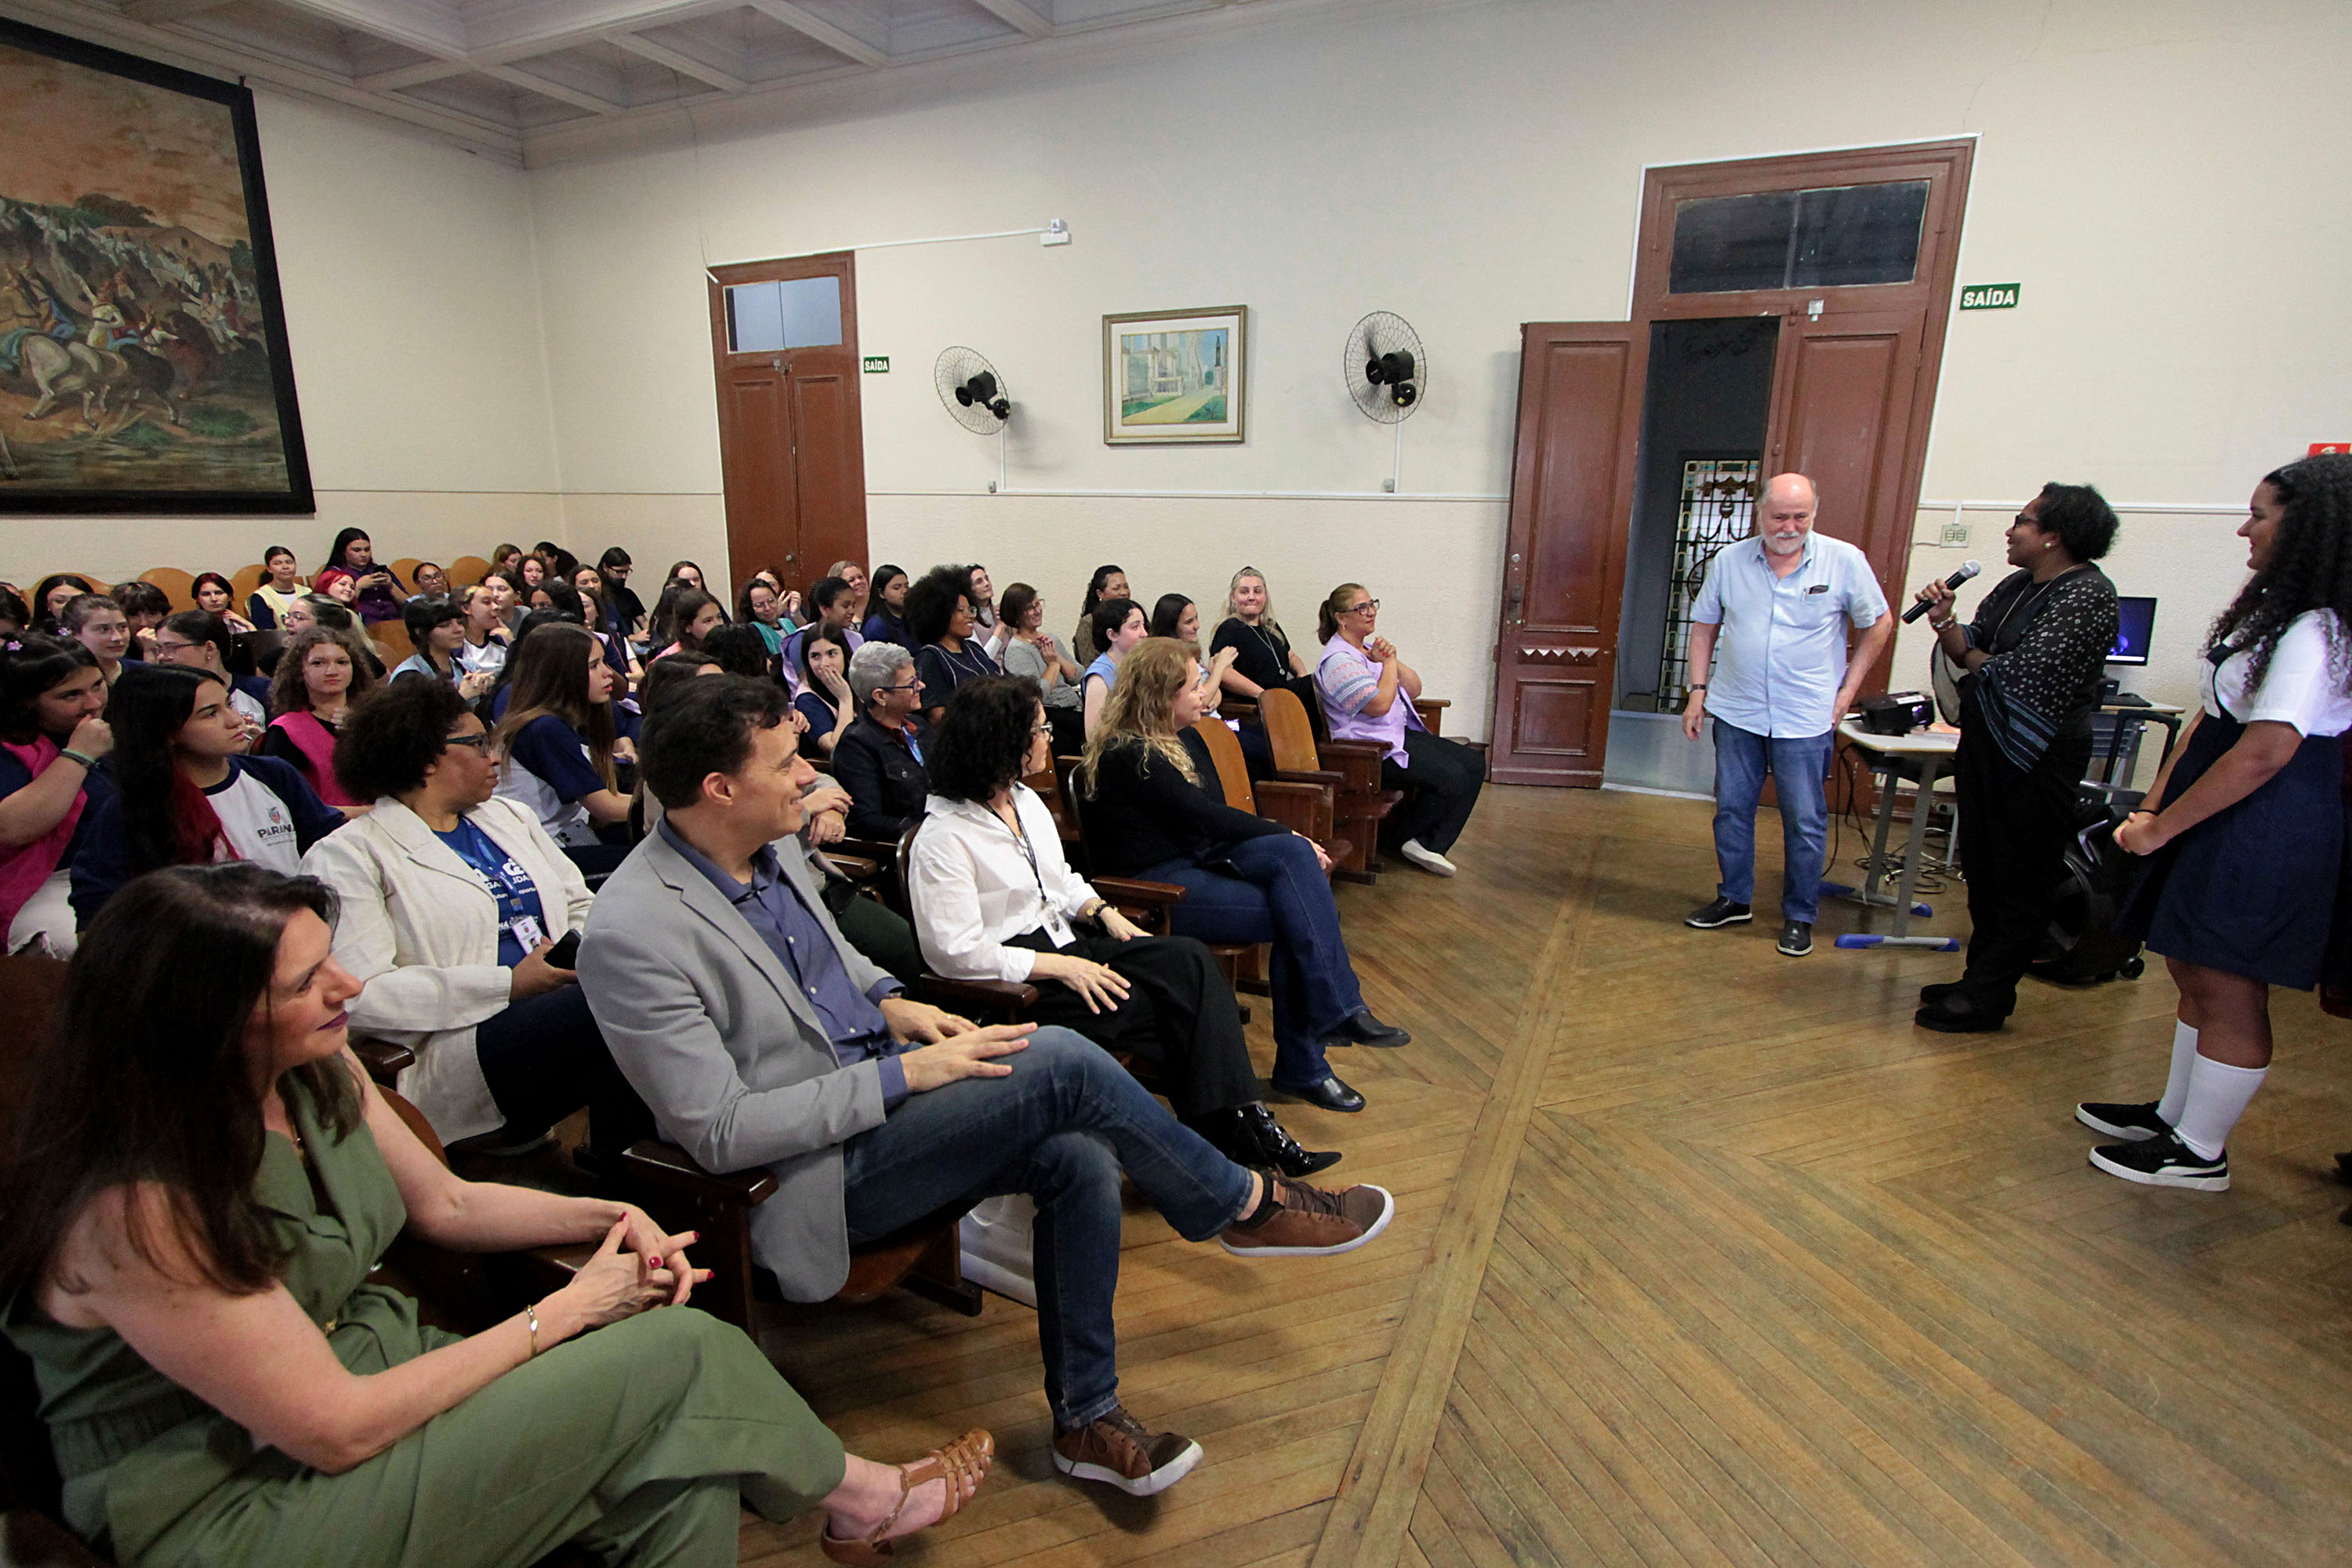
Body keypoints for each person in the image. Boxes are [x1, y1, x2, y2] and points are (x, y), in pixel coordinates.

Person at [0, 862, 994, 1568]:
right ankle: (860, 1495)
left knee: (680, 1474)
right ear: (205, 1022)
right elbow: (334, 1429)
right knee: (682, 1350)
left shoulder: (315, 1067)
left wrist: (611, 1211)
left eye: (331, 958)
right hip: (238, 1502)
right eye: (307, 981)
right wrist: (569, 1311)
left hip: (372, 1384)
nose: (349, 986)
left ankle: (856, 1500)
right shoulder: (134, 1205)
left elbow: (449, 1199)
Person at [579, 675, 1392, 1497]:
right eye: (787, 763)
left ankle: (1087, 1417)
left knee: (1076, 1153)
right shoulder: (635, 929)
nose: (807, 776)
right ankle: (1242, 1204)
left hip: (883, 1096)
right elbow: (720, 1130)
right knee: (1062, 1059)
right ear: (720, 789)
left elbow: (833, 957)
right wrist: (902, 1072)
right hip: (810, 1172)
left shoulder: (772, 845)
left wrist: (892, 1001)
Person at [914, 675, 1338, 1176]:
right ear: (1004, 742)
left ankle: (1233, 1136)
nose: (1049, 737)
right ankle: (1236, 1139)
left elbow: (1061, 881)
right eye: (1040, 730)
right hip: (1017, 982)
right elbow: (953, 953)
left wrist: (1101, 911)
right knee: (1170, 1010)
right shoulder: (944, 837)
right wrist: (1058, 968)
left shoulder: (1022, 801)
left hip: (1067, 943)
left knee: (1189, 960)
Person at [2069, 456, 2352, 1189]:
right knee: (2191, 965)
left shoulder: (2317, 631)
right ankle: (2174, 1116)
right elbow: (2208, 722)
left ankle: (2200, 1152)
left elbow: (2263, 752)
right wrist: (2152, 807)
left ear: (2307, 527)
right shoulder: (2271, 613)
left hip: (2266, 823)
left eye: (2259, 515)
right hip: (2216, 811)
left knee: (2228, 980)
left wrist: (2163, 829)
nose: (2244, 529)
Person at [1079, 639, 1409, 1113]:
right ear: (1161, 696)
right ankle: (1311, 1058)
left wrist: (1290, 841)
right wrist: (1288, 832)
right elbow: (1205, 817)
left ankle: (1336, 1019)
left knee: (1295, 866)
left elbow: (1212, 818)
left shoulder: (1186, 738)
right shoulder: (1128, 753)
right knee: (1297, 912)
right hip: (1156, 884)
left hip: (1202, 857)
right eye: (1194, 686)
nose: (1204, 694)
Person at [1911, 482, 2119, 1030]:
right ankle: (1978, 979)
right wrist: (1946, 620)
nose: (2011, 530)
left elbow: (2021, 675)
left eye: (2022, 521)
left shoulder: (2088, 594)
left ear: (2054, 536)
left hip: (2037, 754)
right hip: (1987, 742)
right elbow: (1971, 648)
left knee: (2021, 875)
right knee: (1984, 868)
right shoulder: (2016, 585)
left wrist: (1979, 657)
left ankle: (1990, 996)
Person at [1674, 474, 1893, 945]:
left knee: (1805, 821)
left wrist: (1847, 691)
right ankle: (1735, 899)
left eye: (1801, 517)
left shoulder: (1844, 560)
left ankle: (1800, 915)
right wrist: (1697, 692)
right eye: (1779, 517)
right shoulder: (1730, 561)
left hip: (1806, 715)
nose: (1790, 527)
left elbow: (1879, 623)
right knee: (1731, 812)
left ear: (1814, 513)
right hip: (1738, 710)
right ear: (1760, 513)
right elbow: (1705, 627)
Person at [68, 664, 342, 925]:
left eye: (229, 705)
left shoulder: (273, 775)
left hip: (298, 928)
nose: (235, 720)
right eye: (211, 714)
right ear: (166, 731)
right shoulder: (135, 807)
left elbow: (327, 846)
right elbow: (96, 903)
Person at [1316, 583, 1487, 879]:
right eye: (1361, 608)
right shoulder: (1338, 660)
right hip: (1366, 751)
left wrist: (1391, 659)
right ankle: (1401, 839)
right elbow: (1380, 705)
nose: (1370, 612)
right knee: (1452, 776)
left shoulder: (1365, 651)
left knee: (1473, 762)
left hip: (1393, 737)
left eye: (1372, 604)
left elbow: (1414, 688)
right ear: (1341, 618)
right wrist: (1388, 664)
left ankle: (1426, 842)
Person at [0, 637, 112, 956]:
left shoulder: (113, 727)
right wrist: (79, 754)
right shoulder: (10, 749)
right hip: (47, 883)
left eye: (97, 685)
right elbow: (11, 829)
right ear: (26, 701)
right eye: (71, 695)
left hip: (121, 870)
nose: (93, 703)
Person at [491, 622, 630, 876]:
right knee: (654, 862)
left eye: (604, 662)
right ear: (562, 673)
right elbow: (607, 807)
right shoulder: (544, 727)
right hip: (542, 850)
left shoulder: (564, 718)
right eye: (594, 666)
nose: (608, 673)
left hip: (570, 833)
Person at [263, 627, 377, 812]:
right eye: (318, 663)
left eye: (342, 662)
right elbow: (285, 804)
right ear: (300, 671)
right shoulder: (285, 731)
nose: (332, 671)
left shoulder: (375, 721)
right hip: (327, 826)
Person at [833, 641, 935, 841]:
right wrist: (928, 832)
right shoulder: (856, 745)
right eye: (912, 683)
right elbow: (867, 821)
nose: (921, 686)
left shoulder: (919, 726)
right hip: (913, 844)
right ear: (880, 696)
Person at [905, 564, 1000, 724]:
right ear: (940, 615)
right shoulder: (930, 658)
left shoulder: (974, 649)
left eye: (970, 609)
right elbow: (937, 717)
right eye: (961, 610)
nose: (970, 616)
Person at [997, 582, 1085, 754]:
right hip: (1052, 714)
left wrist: (1056, 657)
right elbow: (1037, 694)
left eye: (1038, 604)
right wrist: (1052, 665)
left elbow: (1080, 675)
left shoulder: (1050, 639)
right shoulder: (1017, 650)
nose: (1037, 610)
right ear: (1016, 614)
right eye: (1030, 608)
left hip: (1075, 705)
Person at [153, 609, 272, 735]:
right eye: (159, 649)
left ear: (209, 648)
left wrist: (260, 741)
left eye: (171, 648)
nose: (161, 656)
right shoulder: (164, 695)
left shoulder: (263, 689)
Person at [1212, 567, 1316, 706]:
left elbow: (1290, 656)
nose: (1251, 597)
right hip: (1257, 701)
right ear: (1233, 597)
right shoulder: (1229, 628)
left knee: (1318, 683)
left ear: (1265, 596)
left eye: (1257, 591)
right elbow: (1221, 670)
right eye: (1244, 592)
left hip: (1282, 694)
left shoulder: (1271, 626)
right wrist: (1263, 695)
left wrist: (1302, 674)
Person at [390, 595, 495, 701]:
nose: (458, 629)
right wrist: (462, 697)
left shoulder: (468, 667)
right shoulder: (408, 676)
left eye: (459, 623)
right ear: (420, 632)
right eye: (445, 625)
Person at [780, 575, 866, 692]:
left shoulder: (856, 637)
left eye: (853, 605)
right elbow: (808, 685)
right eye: (845, 606)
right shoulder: (801, 639)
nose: (852, 611)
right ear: (825, 609)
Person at [1081, 597, 1145, 739]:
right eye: (1135, 627)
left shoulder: (1138, 665)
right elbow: (1094, 736)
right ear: (1112, 635)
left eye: (1143, 626)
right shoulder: (1099, 678)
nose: (1144, 634)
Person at [797, 624, 858, 756]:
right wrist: (845, 699)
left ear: (845, 654)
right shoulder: (807, 699)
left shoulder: (856, 680)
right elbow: (835, 748)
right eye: (815, 656)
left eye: (831, 654)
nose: (824, 664)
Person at [323, 528, 406, 623]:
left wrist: (391, 586)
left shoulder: (380, 570)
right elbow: (334, 611)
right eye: (357, 550)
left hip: (394, 622)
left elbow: (408, 604)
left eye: (367, 550)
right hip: (361, 625)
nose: (364, 554)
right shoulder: (335, 573)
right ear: (343, 551)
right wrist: (359, 586)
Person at [56, 593, 136, 688]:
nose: (118, 637)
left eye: (122, 627)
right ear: (75, 633)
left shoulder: (143, 673)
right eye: (104, 629)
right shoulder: (61, 681)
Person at [648, 585, 724, 662]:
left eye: (719, 617)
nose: (718, 624)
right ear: (687, 626)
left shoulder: (726, 648)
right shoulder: (670, 660)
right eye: (708, 621)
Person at [1073, 564, 1129, 664]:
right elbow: (1089, 663)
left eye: (1126, 587)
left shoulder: (1134, 617)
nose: (1124, 592)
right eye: (1116, 589)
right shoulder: (1089, 622)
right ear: (1100, 594)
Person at [456, 583, 511, 678]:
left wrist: (512, 644)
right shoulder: (456, 647)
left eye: (495, 602)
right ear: (466, 608)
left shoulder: (501, 640)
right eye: (487, 602)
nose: (496, 607)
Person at [110, 580, 172, 661]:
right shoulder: (114, 648)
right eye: (134, 615)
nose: (143, 623)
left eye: (152, 614)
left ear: (164, 616)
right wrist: (149, 652)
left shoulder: (177, 643)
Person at [245, 546, 305, 629]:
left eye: (289, 562)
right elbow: (265, 632)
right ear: (269, 569)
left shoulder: (307, 592)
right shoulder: (261, 597)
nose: (285, 567)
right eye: (277, 563)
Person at [862, 564, 916, 653]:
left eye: (907, 586)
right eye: (897, 588)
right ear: (881, 593)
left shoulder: (911, 618)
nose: (904, 591)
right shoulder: (876, 626)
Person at [739, 578, 794, 657]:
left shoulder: (787, 623)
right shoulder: (752, 631)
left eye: (771, 601)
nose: (767, 608)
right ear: (750, 608)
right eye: (760, 605)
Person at [597, 546, 644, 636]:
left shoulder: (628, 594)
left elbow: (643, 621)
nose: (624, 576)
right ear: (605, 567)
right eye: (619, 572)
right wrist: (632, 638)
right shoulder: (598, 595)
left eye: (626, 572)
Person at [192, 570, 257, 633]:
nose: (214, 599)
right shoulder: (191, 626)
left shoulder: (239, 624)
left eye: (219, 593)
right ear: (197, 599)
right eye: (206, 594)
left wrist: (249, 625)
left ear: (230, 597)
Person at [29, 573, 95, 635]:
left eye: (78, 600)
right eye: (60, 601)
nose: (69, 606)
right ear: (47, 604)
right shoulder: (34, 637)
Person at [828, 560, 871, 627]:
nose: (858, 582)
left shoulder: (880, 604)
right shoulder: (839, 619)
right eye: (851, 580)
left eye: (860, 577)